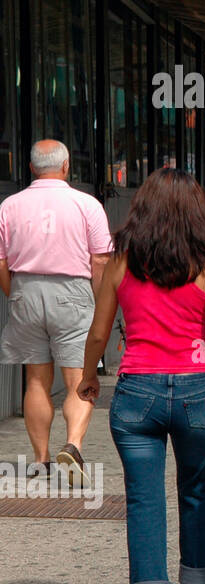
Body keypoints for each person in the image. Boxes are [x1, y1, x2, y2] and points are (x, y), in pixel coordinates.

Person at [75, 167, 205, 584]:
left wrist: (89, 377)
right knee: (196, 488)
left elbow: (99, 330)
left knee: (143, 498)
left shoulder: (123, 260)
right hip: (195, 389)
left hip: (136, 393)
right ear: (197, 212)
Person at [0, 140, 113, 479]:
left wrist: (15, 293)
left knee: (36, 379)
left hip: (25, 291)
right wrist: (98, 301)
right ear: (66, 167)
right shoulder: (86, 204)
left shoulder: (9, 205)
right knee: (77, 377)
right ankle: (73, 444)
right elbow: (101, 259)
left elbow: (1, 262)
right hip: (73, 291)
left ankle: (40, 458)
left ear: (32, 168)